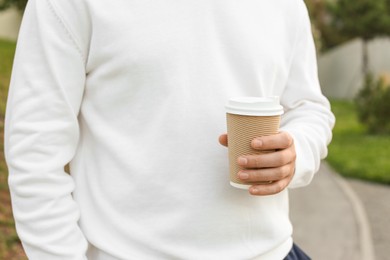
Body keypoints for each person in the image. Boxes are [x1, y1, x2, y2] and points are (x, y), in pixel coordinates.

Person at [4, 0, 335, 259]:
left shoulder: (286, 4)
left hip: (274, 253)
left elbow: (309, 107)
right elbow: (36, 151)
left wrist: (297, 151)